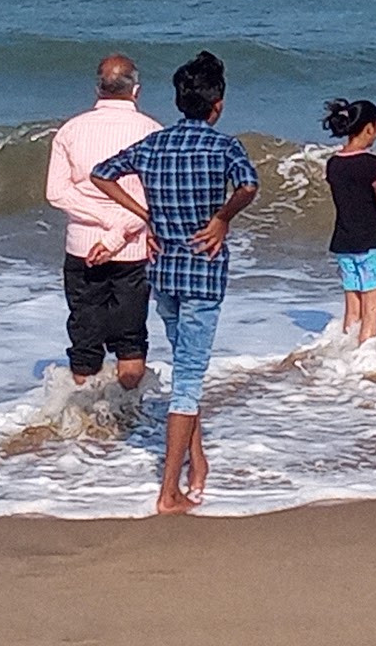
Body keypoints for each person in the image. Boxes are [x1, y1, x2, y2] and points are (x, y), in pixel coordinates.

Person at [89, 51, 258, 515]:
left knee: (186, 371)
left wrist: (148, 215)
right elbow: (248, 186)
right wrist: (222, 218)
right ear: (217, 104)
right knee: (188, 382)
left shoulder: (155, 144)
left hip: (162, 273)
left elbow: (101, 174)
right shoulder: (225, 147)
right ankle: (168, 491)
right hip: (202, 273)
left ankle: (196, 464)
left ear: (179, 100)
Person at [44, 54, 163, 388]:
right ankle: (126, 426)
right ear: (136, 91)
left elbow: (57, 193)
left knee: (84, 346)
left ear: (97, 89)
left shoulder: (71, 130)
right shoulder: (152, 132)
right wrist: (115, 233)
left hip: (82, 248)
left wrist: (104, 224)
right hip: (132, 250)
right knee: (131, 346)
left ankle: (86, 429)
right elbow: (150, 199)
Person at [321, 98, 376, 343]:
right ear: (370, 128)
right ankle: (366, 362)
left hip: (343, 242)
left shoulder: (333, 164)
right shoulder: (373, 165)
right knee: (372, 312)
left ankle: (347, 356)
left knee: (352, 309)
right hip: (371, 243)